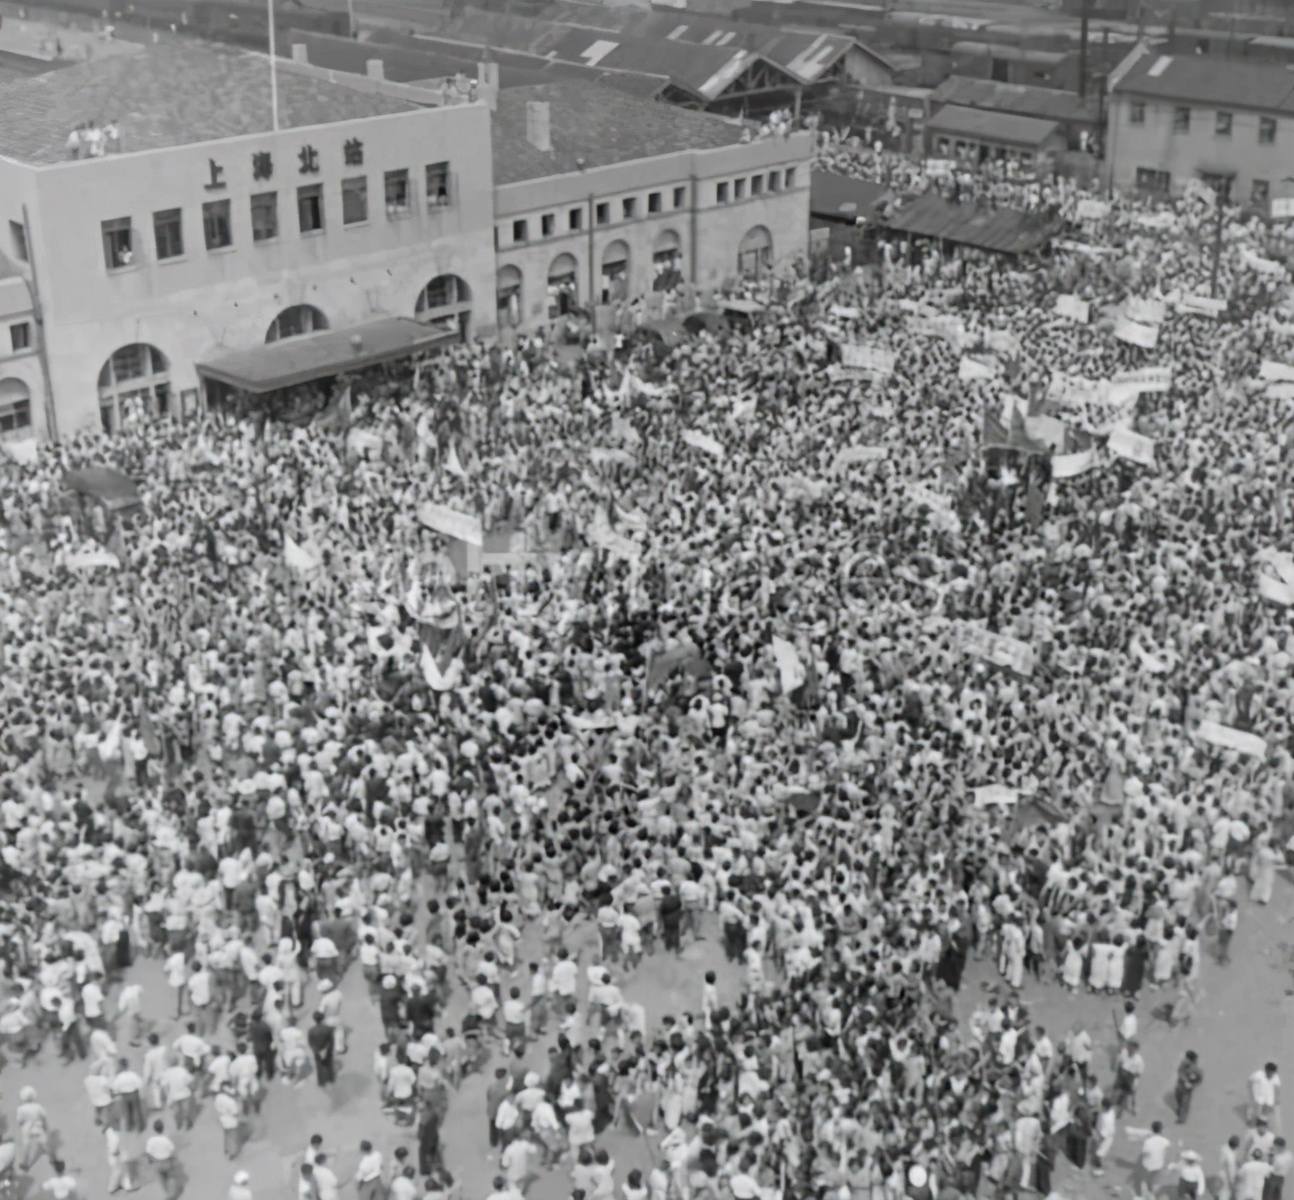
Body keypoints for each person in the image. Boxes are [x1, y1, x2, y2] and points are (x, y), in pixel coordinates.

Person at [307, 1012, 335, 1088]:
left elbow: (310, 1043)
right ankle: (331, 1079)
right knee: (329, 1065)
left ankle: (321, 1082)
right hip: (327, 1050)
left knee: (319, 1066)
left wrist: (315, 1050)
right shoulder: (328, 1029)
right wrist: (329, 1049)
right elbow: (331, 1041)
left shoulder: (311, 1031)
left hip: (317, 1051)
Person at [1175, 1052, 1204, 1124]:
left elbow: (1199, 1079)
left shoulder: (1196, 1069)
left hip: (1187, 1089)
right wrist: (1184, 1081)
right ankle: (1180, 1109)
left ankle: (1182, 1118)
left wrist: (1192, 1085)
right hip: (1180, 1086)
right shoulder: (1183, 1064)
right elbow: (1180, 1072)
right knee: (1178, 1098)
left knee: (1185, 1103)